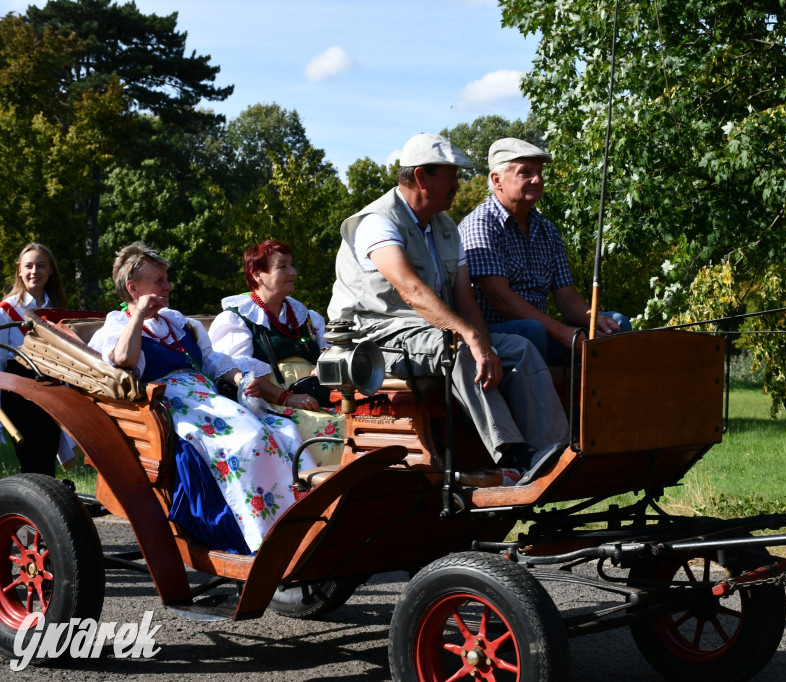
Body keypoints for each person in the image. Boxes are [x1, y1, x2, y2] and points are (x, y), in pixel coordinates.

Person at [328, 133, 569, 485]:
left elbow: (464, 299)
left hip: (428, 330)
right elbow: (411, 290)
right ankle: (514, 456)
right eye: (451, 176)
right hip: (375, 338)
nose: (458, 185)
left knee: (521, 347)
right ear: (422, 177)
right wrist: (470, 338)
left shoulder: (444, 228)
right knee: (455, 349)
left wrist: (483, 342)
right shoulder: (377, 222)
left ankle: (555, 451)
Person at [88, 242, 315, 554]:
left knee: (286, 433)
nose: (168, 286)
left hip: (208, 398)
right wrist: (138, 313)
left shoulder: (179, 322)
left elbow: (213, 362)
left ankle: (304, 526)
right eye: (158, 280)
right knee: (248, 441)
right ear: (133, 287)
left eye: (166, 278)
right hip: (173, 406)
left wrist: (242, 379)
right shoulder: (115, 328)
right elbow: (125, 361)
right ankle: (262, 537)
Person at [458, 138, 631, 365]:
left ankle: (605, 399)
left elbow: (567, 297)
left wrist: (594, 319)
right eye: (525, 172)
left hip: (543, 332)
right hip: (494, 336)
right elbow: (501, 299)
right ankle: (534, 399)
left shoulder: (547, 230)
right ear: (497, 179)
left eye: (539, 172)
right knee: (532, 330)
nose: (537, 179)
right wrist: (561, 332)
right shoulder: (481, 224)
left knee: (617, 323)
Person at [209, 240, 344, 464]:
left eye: (291, 265)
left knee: (361, 419)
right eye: (283, 267)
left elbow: (330, 350)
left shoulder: (305, 315)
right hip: (271, 402)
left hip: (318, 395)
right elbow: (243, 378)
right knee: (332, 432)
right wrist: (288, 398)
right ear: (257, 274)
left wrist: (324, 367)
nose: (294, 272)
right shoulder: (237, 319)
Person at [0, 243, 68, 475]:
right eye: (28, 266)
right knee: (31, 457)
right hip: (18, 392)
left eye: (41, 266)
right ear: (19, 270)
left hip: (52, 389)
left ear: (50, 271)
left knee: (48, 453)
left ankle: (46, 506)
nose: (34, 271)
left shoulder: (57, 309)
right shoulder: (5, 311)